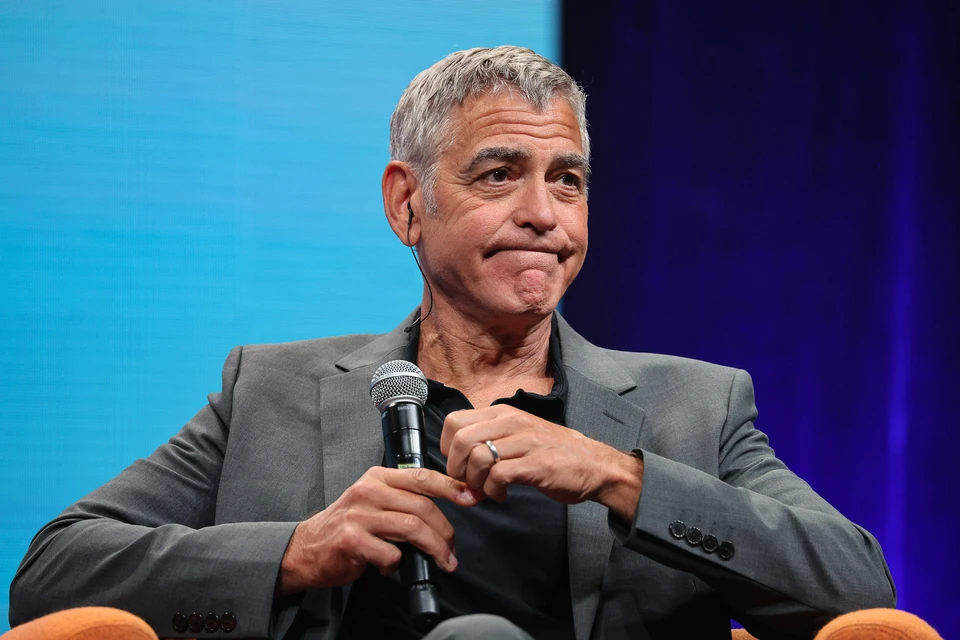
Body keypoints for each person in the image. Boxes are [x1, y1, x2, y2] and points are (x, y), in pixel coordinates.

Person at [10, 46, 895, 640]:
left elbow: (860, 592)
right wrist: (298, 550)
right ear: (408, 204)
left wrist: (619, 477)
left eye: (568, 180)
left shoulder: (693, 407)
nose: (543, 214)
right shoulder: (270, 392)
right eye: (499, 174)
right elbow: (52, 575)